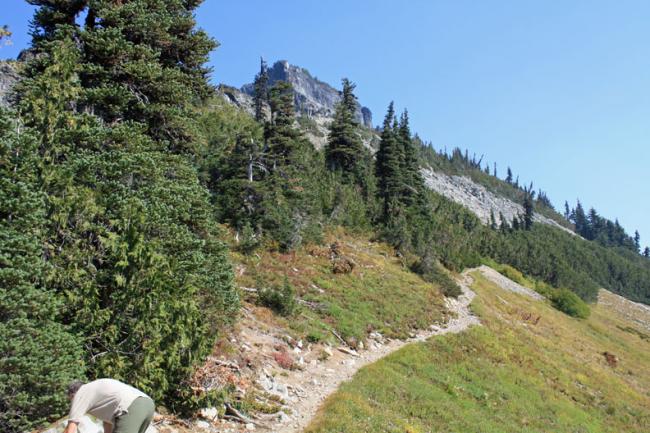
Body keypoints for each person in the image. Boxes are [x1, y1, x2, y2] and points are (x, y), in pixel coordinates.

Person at [64, 379, 155, 433]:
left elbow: (70, 430)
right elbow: (107, 423)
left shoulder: (81, 393)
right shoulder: (95, 390)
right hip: (148, 405)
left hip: (131, 407)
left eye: (71, 400)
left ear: (72, 395)